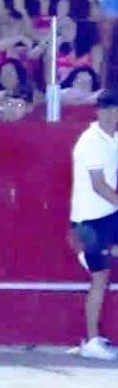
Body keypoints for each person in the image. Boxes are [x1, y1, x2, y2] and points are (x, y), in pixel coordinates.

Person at [69, 90, 118, 359]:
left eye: (116, 110)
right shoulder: (90, 142)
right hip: (88, 222)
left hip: (109, 216)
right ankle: (91, 342)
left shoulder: (114, 138)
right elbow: (99, 185)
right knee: (100, 278)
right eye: (107, 110)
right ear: (98, 111)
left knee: (103, 275)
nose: (112, 115)